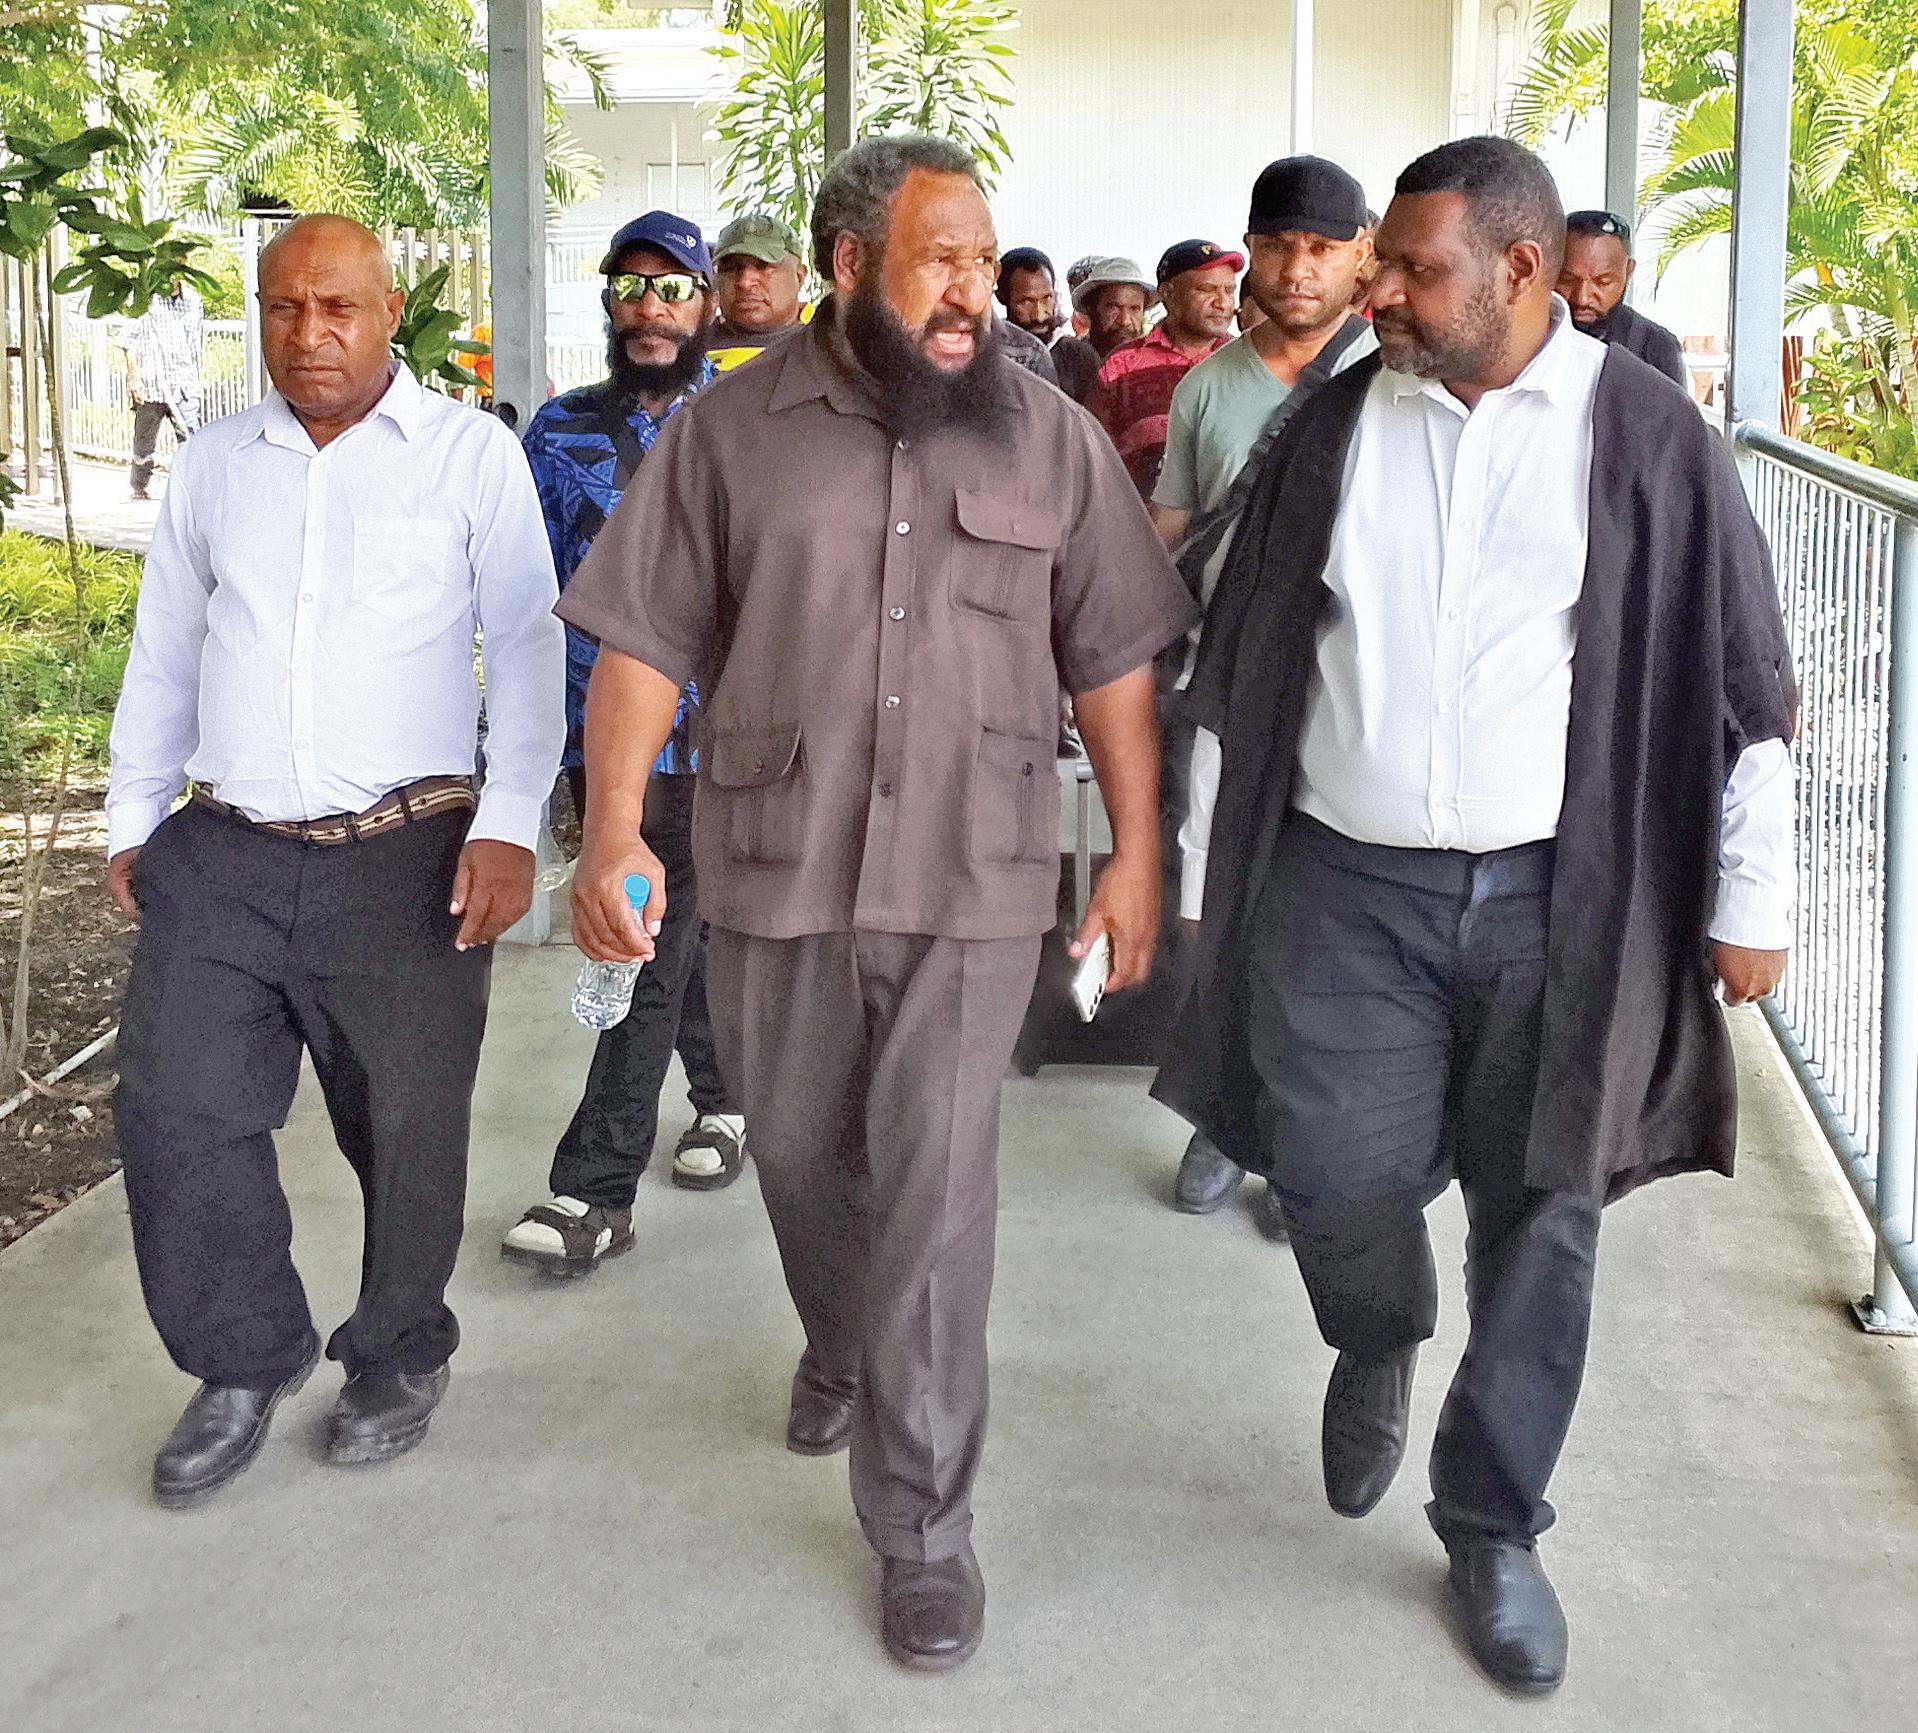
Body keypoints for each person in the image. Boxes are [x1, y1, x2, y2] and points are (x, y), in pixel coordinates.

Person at [1156, 137, 1794, 1697]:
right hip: (1340, 884)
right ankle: (1376, 1329)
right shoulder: (1331, 427)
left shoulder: (1645, 437)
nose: (1376, 289)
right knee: (1328, 1170)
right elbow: (1240, 660)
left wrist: (1751, 895)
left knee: (1543, 1208)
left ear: (1518, 269)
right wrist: (1191, 870)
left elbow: (1741, 682)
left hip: (1561, 896)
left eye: (1411, 267)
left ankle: (1492, 1522)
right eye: (1378, 260)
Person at [557, 134, 1194, 1672]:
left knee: (933, 1188)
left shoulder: (1046, 439)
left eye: (982, 256)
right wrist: (612, 830)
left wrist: (1134, 850)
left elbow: (1112, 656)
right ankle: (838, 1340)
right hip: (777, 861)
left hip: (974, 877)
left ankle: (921, 1525)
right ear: (849, 268)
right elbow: (643, 639)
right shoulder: (730, 434)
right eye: (939, 261)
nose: (974, 289)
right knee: (795, 1155)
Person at [106, 215, 566, 1507]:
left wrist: (510, 820)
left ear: (389, 310)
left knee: (405, 1124)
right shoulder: (216, 463)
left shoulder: (469, 456)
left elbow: (527, 644)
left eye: (337, 307)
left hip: (405, 853)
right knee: (178, 1108)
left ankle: (400, 1347)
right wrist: (134, 817)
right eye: (283, 307)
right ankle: (242, 1356)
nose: (308, 333)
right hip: (226, 849)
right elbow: (167, 645)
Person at [501, 212, 749, 1278]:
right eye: (631, 287)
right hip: (595, 737)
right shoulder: (556, 432)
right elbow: (525, 590)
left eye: (674, 287)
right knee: (673, 931)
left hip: (714, 738)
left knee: (646, 933)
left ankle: (593, 1187)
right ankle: (726, 1095)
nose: (651, 308)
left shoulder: (742, 422)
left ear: (708, 303)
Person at [1148, 156, 1378, 1224]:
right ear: (1250, 251)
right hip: (1226, 689)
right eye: (1279, 245)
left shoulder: (1391, 372)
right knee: (1212, 912)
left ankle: (1298, 1140)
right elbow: (1172, 529)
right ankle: (1221, 1113)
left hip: (1349, 697)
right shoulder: (1207, 386)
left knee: (1326, 922)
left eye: (1323, 249)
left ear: (1362, 256)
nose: (1298, 268)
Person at [1089, 239, 1241, 497]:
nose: (1223, 303)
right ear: (1168, 294)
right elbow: (1092, 456)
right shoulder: (1120, 365)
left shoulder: (1247, 361)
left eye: (1229, 290)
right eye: (1207, 289)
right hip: (1140, 516)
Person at [1557, 209, 1689, 387]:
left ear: (1628, 271)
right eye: (1567, 280)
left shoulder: (1656, 347)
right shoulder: (1530, 339)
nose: (1582, 298)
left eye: (1603, 282)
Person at [120, 273, 204, 501]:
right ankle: (139, 486)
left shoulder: (193, 300)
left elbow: (195, 344)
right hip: (153, 384)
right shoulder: (145, 298)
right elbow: (129, 341)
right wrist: (134, 378)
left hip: (184, 384)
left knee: (191, 438)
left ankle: (192, 489)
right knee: (144, 443)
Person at [710, 211, 810, 371]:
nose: (744, 282)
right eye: (730, 268)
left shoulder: (831, 342)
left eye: (763, 266)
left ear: (799, 276)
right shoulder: (687, 350)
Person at [1053, 254, 1149, 403]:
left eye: (1135, 309)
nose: (1125, 321)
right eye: (1113, 308)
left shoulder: (1159, 364)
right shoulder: (1066, 362)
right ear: (1091, 309)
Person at [996, 246, 1061, 342]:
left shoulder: (1073, 349)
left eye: (1047, 298)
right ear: (1001, 297)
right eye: (1027, 302)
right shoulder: (985, 348)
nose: (1039, 317)